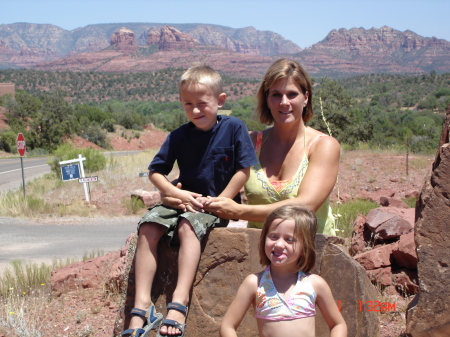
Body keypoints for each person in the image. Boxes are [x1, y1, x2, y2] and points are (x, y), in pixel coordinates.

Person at [122, 64, 257, 337]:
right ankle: (142, 305)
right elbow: (155, 172)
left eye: (202, 103)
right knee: (148, 225)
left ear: (220, 101)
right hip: (182, 200)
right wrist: (175, 194)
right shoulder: (179, 135)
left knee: (187, 227)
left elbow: (244, 170)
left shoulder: (234, 128)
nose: (195, 110)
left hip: (216, 204)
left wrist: (222, 201)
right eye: (188, 104)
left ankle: (179, 301)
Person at [168, 59, 340, 235]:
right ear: (266, 99)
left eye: (292, 94)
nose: (284, 102)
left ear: (306, 97)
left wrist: (239, 211)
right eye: (276, 95)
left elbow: (306, 206)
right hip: (262, 251)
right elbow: (205, 179)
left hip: (314, 250)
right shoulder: (249, 142)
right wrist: (174, 193)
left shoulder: (323, 145)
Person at [219, 205, 347, 337]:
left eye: (289, 239)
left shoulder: (315, 284)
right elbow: (227, 326)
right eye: (273, 236)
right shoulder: (254, 283)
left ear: (305, 246)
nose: (279, 244)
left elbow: (338, 325)